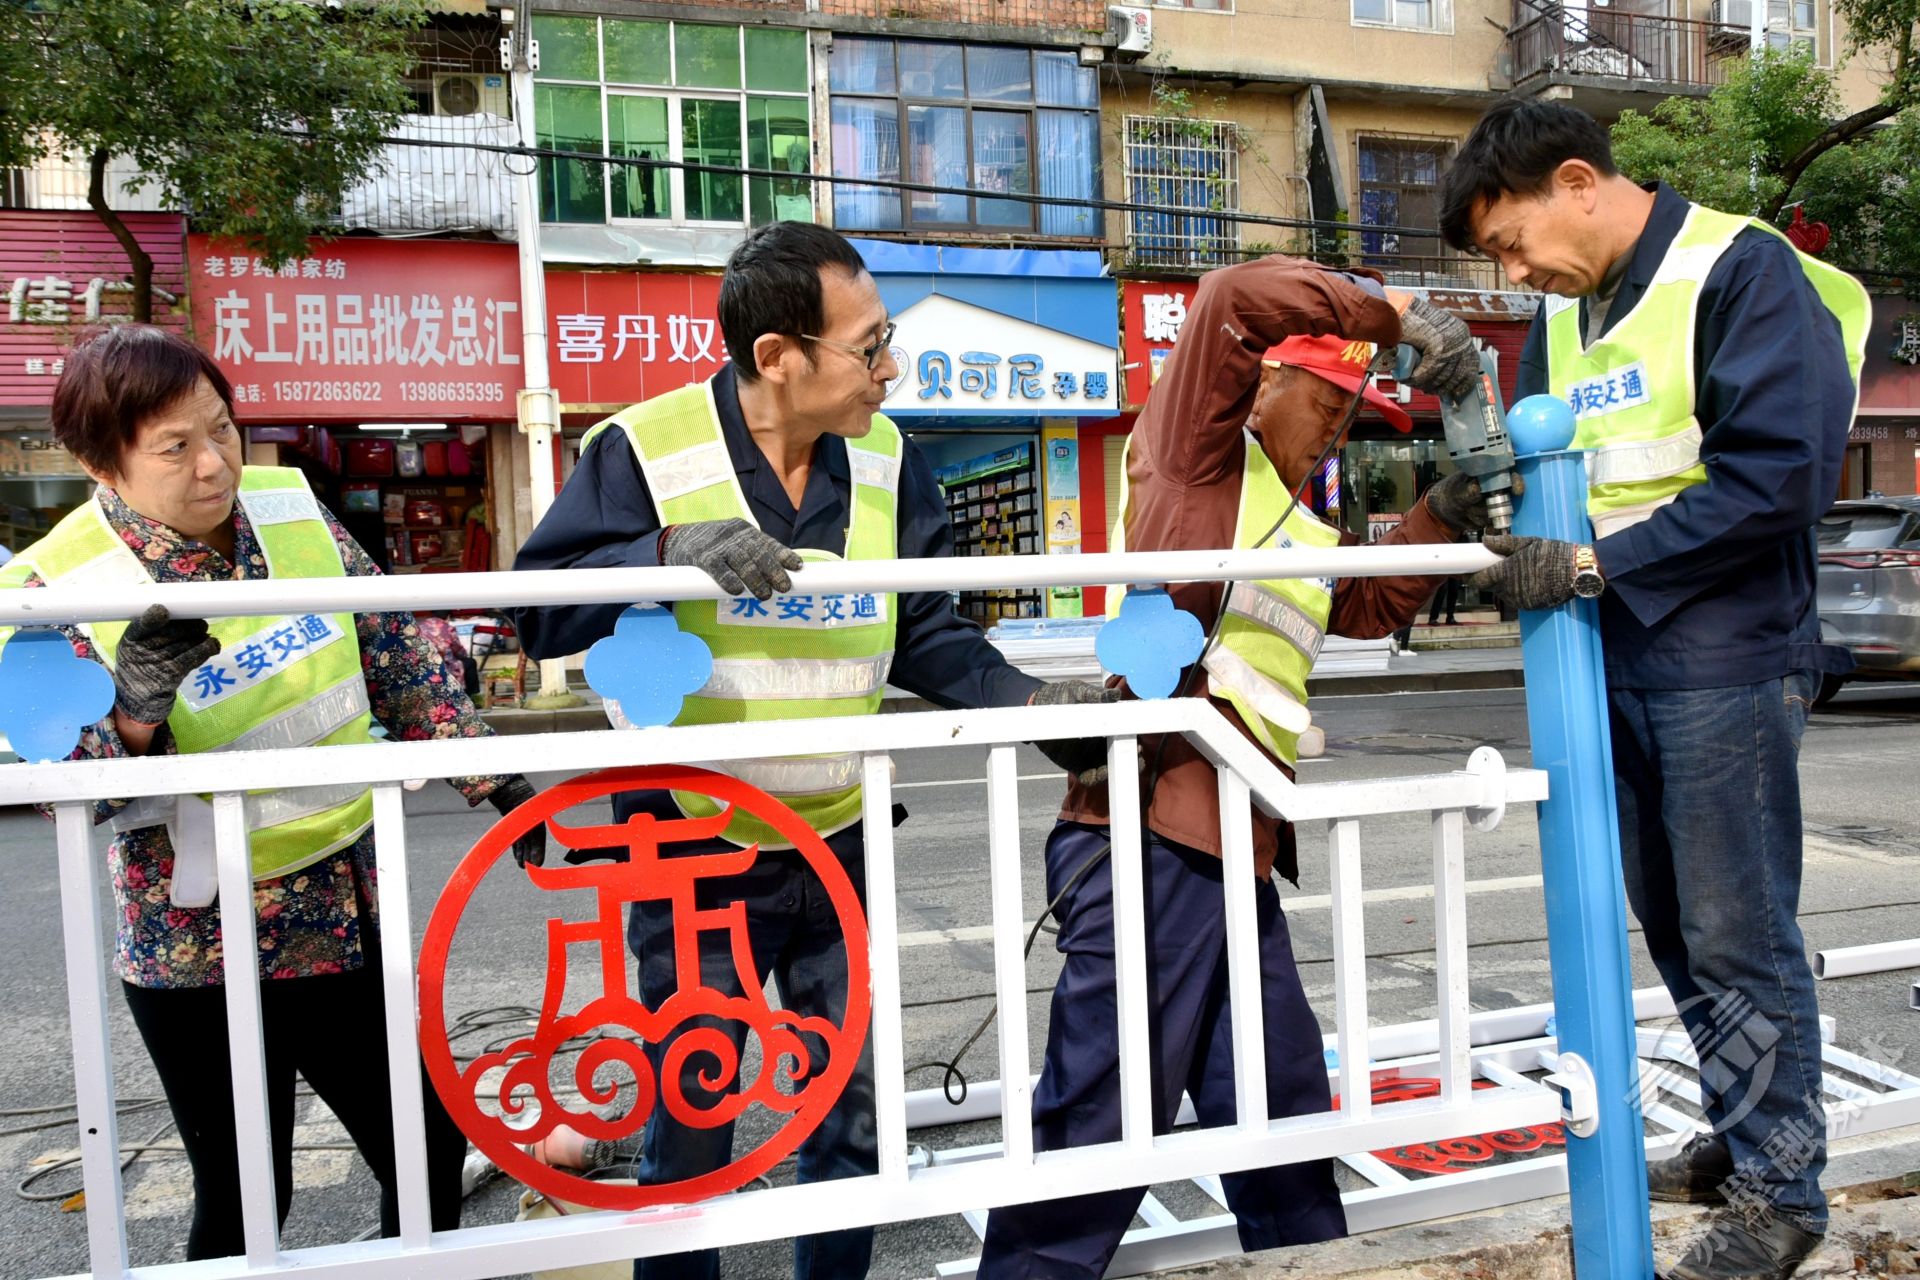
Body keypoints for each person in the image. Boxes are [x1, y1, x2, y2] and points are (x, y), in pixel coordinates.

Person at [508, 220, 1113, 1280]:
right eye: (870, 347)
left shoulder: (887, 456)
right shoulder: (644, 450)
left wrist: (1033, 702)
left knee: (855, 1110)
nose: (891, 368)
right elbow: (538, 613)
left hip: (837, 840)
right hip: (691, 851)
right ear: (778, 356)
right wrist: (662, 554)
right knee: (693, 1119)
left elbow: (926, 631)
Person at [976, 257, 1495, 1277]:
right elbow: (1227, 301)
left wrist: (1441, 512)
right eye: (1328, 398)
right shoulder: (1197, 464)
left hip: (1236, 852)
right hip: (1150, 839)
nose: (1340, 425)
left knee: (1280, 1111)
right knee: (1104, 1118)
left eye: (1353, 409)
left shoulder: (1300, 519)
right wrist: (1387, 314)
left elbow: (1360, 607)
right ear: (1262, 383)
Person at [0, 326, 545, 1258]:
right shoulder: (50, 586)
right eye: (175, 447)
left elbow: (390, 647)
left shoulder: (290, 508)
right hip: (195, 940)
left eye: (222, 428)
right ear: (100, 463)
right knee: (250, 1193)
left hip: (339, 906)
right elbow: (65, 793)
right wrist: (133, 713)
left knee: (424, 1148)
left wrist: (493, 776)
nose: (215, 464)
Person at [1438, 98, 1866, 1280]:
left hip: (1726, 655)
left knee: (1739, 928)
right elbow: (1553, 474)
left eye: (1512, 242)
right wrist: (1487, 492)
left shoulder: (1738, 269)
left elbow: (1782, 473)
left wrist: (1593, 564)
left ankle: (1783, 1195)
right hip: (1614, 655)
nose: (1514, 272)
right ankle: (1747, 1134)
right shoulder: (1563, 316)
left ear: (1579, 181)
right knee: (1678, 926)